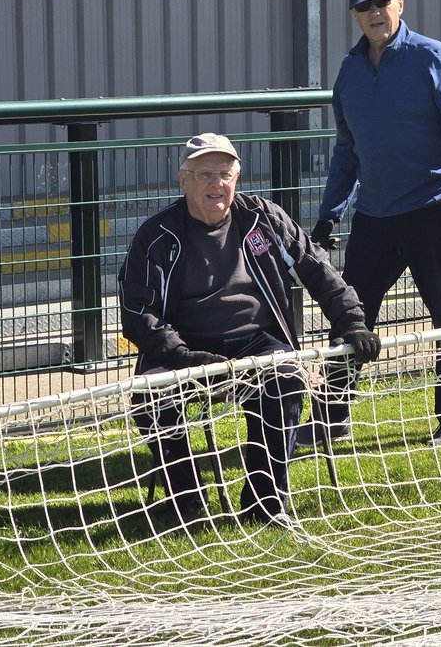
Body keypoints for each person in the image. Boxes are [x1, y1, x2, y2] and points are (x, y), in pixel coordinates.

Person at [119, 133, 380, 527]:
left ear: (237, 178)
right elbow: (138, 312)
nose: (216, 184)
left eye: (224, 174)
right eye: (205, 174)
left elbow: (317, 267)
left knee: (288, 379)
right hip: (183, 349)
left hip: (257, 341)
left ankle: (264, 502)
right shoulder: (155, 237)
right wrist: (179, 354)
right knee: (150, 398)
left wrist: (352, 320)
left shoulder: (264, 217)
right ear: (183, 180)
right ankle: (187, 500)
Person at [303, 0, 441, 446]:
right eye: (365, 6)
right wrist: (329, 213)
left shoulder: (433, 58)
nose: (375, 13)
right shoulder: (349, 72)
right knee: (349, 316)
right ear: (354, 15)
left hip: (433, 211)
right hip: (375, 216)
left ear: (400, 4)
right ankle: (329, 420)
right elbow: (347, 149)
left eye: (382, 3)